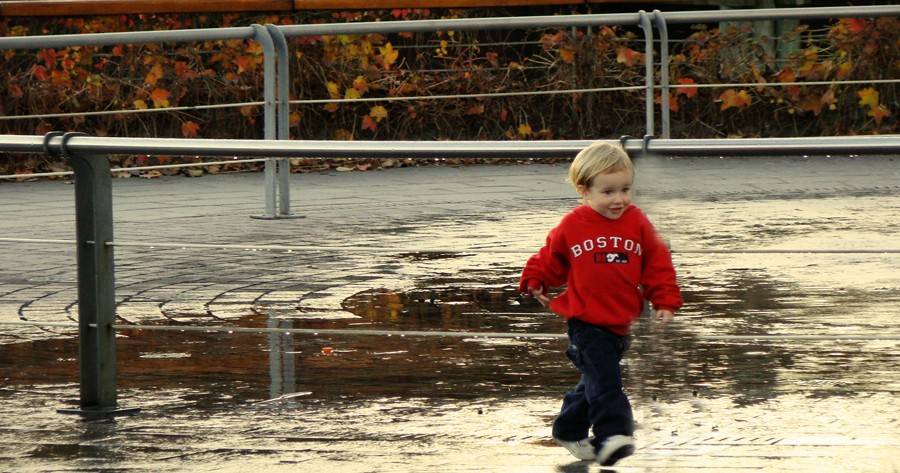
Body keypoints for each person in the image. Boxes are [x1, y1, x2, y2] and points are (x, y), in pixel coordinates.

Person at [519, 141, 682, 466]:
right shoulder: (573, 224)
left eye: (625, 189)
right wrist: (536, 280)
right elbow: (550, 257)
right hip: (585, 321)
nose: (619, 199)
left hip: (623, 321)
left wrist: (664, 300)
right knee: (607, 382)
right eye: (608, 192)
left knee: (595, 379)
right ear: (585, 191)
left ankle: (568, 428)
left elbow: (657, 262)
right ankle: (614, 436)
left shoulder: (637, 222)